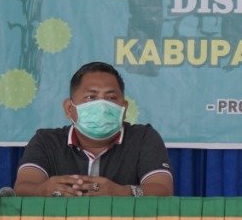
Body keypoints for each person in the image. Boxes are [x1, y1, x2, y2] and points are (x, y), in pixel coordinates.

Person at [13, 62, 173, 197]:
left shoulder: (143, 138)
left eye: (111, 98)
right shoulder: (46, 141)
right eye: (91, 97)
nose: (102, 106)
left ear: (124, 109)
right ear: (69, 109)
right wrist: (44, 190)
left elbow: (163, 191)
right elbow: (22, 189)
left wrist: (120, 192)